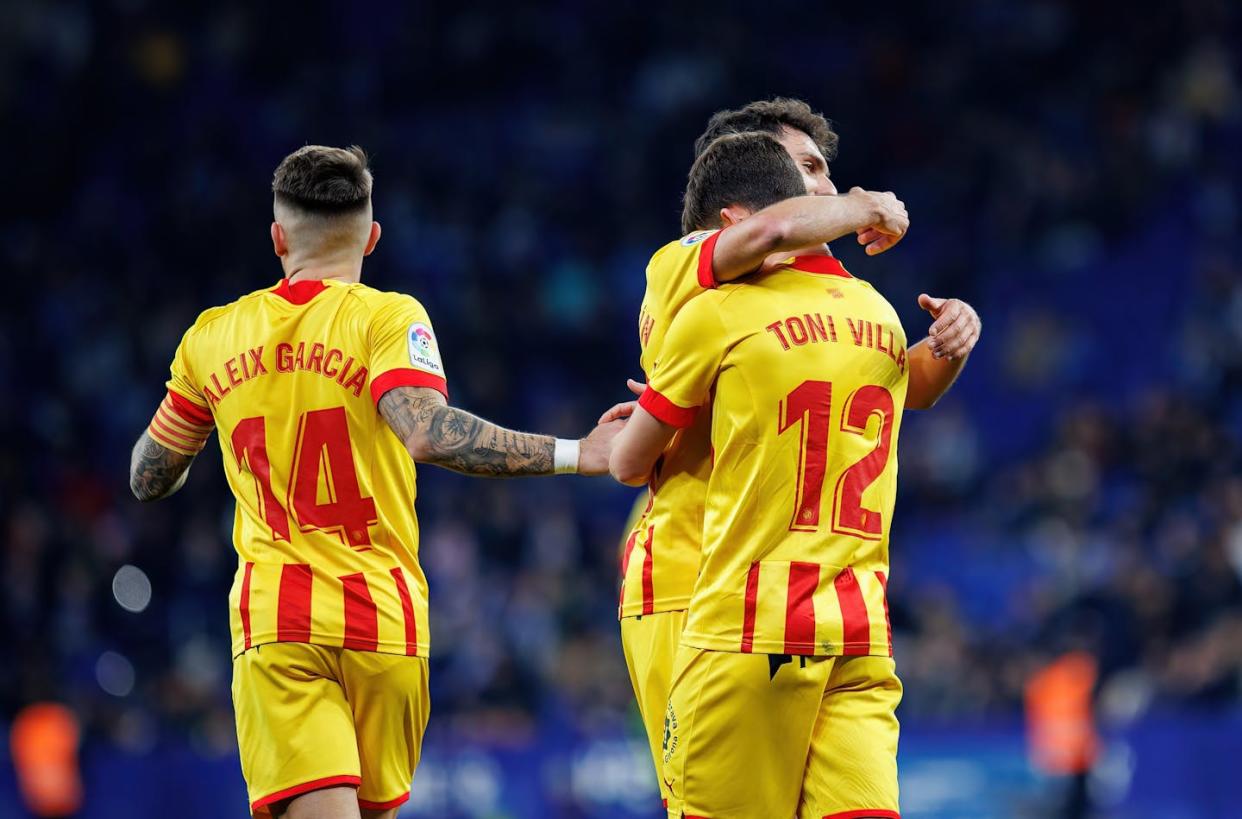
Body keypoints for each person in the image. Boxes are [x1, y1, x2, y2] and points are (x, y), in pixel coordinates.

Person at [128, 145, 622, 819]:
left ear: (277, 238)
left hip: (283, 621)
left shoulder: (212, 336)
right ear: (372, 236)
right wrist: (577, 453)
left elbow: (148, 476)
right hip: (385, 625)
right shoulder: (389, 318)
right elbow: (427, 430)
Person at [612, 98, 980, 810]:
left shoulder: (841, 301)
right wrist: (866, 206)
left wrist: (949, 343)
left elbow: (888, 389)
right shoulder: (685, 266)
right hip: (688, 578)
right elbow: (775, 229)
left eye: (826, 174)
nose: (823, 192)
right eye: (806, 170)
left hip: (793, 588)